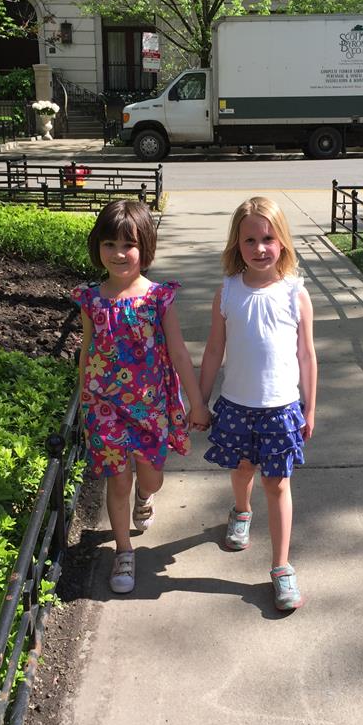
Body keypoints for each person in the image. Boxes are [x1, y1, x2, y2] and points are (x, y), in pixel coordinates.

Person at [73, 200, 210, 594]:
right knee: (117, 481)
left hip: (151, 407)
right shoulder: (91, 299)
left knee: (151, 476)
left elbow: (179, 353)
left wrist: (196, 402)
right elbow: (87, 350)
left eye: (128, 245)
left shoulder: (157, 298)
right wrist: (84, 399)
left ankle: (145, 497)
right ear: (97, 247)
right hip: (105, 406)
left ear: (145, 247)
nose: (118, 253)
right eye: (109, 244)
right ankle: (123, 551)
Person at [198, 196, 317, 611]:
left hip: (282, 408)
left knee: (277, 483)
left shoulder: (295, 294)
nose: (260, 248)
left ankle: (281, 567)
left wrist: (310, 408)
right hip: (236, 405)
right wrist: (200, 400)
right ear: (237, 243)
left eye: (268, 238)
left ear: (282, 241)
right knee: (243, 469)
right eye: (250, 240)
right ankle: (242, 511)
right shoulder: (227, 292)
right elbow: (214, 350)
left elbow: (306, 356)